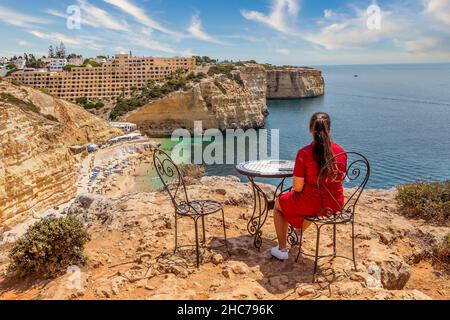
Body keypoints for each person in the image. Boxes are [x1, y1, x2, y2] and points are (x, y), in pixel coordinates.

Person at [271, 112, 347, 260]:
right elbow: (339, 179)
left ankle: (282, 249)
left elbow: (298, 188)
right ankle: (298, 234)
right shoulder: (341, 152)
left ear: (310, 129)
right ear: (329, 130)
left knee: (279, 204)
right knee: (307, 204)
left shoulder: (304, 153)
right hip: (335, 204)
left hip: (313, 204)